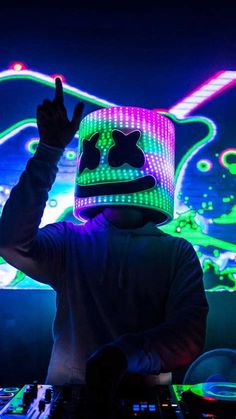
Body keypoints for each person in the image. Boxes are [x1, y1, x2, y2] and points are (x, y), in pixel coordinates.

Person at [0, 78, 209, 404]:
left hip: (143, 400)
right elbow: (11, 242)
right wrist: (48, 151)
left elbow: (188, 335)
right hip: (72, 398)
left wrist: (122, 355)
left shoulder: (176, 252)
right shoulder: (70, 241)